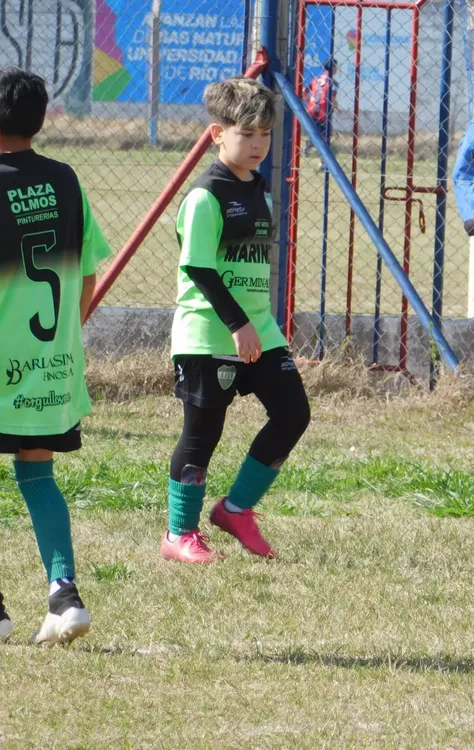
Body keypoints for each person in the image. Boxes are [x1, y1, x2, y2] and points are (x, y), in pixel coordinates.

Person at [161, 78, 311, 564]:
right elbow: (198, 268)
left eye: (265, 134)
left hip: (258, 329)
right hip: (210, 332)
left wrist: (253, 323)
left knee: (293, 413)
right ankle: (179, 534)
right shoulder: (206, 196)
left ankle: (236, 508)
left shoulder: (261, 191)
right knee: (203, 431)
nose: (258, 145)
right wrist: (236, 324)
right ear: (216, 135)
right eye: (246, 134)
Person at [0, 67, 112, 645]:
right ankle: (64, 595)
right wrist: (67, 332)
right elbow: (90, 271)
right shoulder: (66, 179)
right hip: (50, 362)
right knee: (37, 472)